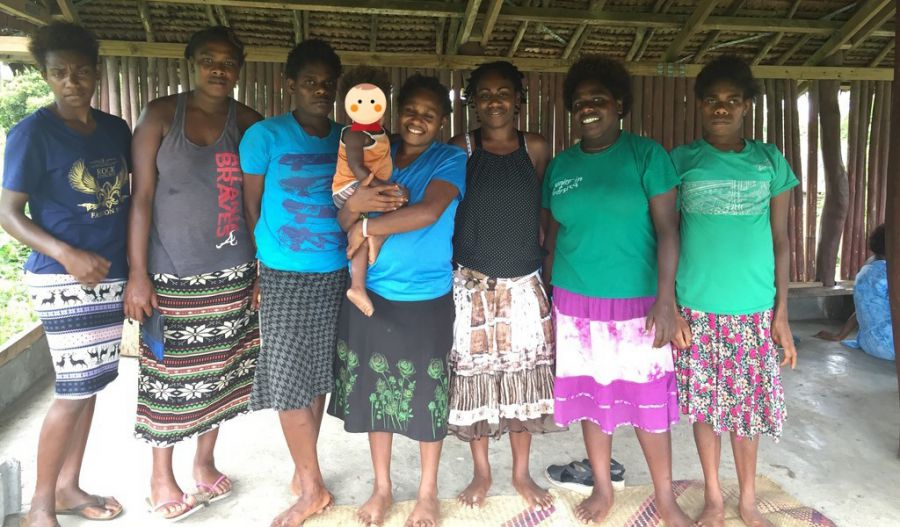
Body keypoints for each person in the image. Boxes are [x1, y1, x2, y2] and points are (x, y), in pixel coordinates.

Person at [542, 55, 690, 526]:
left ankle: (665, 499)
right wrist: (549, 306)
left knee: (648, 403)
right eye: (580, 102)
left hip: (638, 304)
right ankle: (603, 488)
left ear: (619, 104)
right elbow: (550, 239)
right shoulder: (561, 166)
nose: (588, 108)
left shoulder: (647, 156)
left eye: (598, 99)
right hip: (574, 302)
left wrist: (666, 301)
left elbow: (669, 230)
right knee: (591, 397)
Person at [125, 26, 262, 521]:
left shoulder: (249, 123)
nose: (218, 69)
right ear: (191, 64)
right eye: (209, 59)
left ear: (239, 68)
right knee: (167, 375)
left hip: (235, 269)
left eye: (228, 61)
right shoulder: (162, 115)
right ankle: (162, 477)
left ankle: (204, 466)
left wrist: (262, 271)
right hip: (171, 274)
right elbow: (140, 198)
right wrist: (138, 273)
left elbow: (259, 205)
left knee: (223, 373)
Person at [0, 21, 127, 527]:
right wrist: (68, 254)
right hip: (62, 276)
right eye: (59, 73)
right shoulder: (32, 133)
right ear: (46, 76)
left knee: (89, 385)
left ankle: (70, 488)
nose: (71, 81)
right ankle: (38, 506)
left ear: (95, 73)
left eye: (80, 71)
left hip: (109, 273)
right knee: (73, 390)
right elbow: (9, 213)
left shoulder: (115, 129)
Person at [328, 74, 465, 527]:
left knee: (427, 396)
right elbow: (344, 212)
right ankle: (382, 487)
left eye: (430, 113)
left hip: (426, 297)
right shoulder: (376, 153)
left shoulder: (449, 158)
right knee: (375, 394)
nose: (418, 120)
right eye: (411, 110)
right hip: (375, 295)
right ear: (395, 112)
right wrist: (358, 208)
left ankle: (427, 494)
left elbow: (428, 212)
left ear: (443, 121)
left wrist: (365, 228)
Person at [671, 55, 798, 527]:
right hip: (696, 309)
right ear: (699, 105)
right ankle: (713, 499)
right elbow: (665, 235)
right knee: (705, 410)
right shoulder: (680, 162)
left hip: (753, 311)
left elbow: (782, 240)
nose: (721, 108)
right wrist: (672, 308)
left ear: (747, 105)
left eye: (731, 100)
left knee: (748, 415)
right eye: (712, 100)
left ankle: (746, 500)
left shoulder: (769, 162)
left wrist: (781, 312)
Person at [239, 39, 350, 527]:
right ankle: (311, 487)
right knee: (287, 380)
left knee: (317, 375)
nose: (320, 91)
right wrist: (260, 267)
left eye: (328, 83)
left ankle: (307, 472)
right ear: (290, 85)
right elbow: (251, 206)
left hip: (336, 272)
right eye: (310, 82)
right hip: (284, 274)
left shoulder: (348, 139)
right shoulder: (265, 136)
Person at [446, 60, 557, 510]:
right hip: (471, 285)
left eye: (503, 92)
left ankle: (520, 474)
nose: (494, 101)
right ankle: (482, 473)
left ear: (518, 99)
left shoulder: (535, 147)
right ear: (472, 101)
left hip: (524, 284)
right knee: (476, 381)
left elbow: (545, 212)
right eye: (485, 93)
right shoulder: (461, 148)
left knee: (522, 381)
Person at [332, 66, 394, 317]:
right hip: (351, 187)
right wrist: (382, 187)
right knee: (398, 204)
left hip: (363, 185)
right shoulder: (354, 134)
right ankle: (358, 284)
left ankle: (372, 241)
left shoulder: (378, 132)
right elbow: (357, 166)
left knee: (381, 216)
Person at [815, 224, 894, 361]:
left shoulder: (868, 268)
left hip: (869, 344)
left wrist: (839, 336)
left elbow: (864, 308)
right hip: (891, 347)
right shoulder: (890, 273)